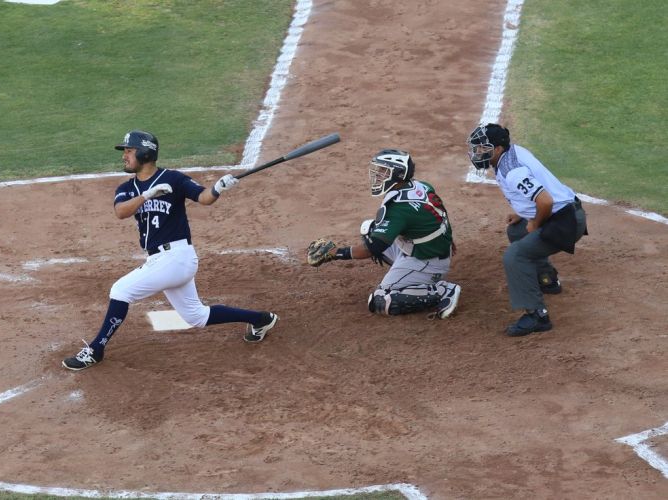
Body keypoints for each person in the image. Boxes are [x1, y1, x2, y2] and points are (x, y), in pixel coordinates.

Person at [62, 130, 278, 371]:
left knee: (121, 290)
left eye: (129, 151)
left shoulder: (174, 179)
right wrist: (146, 195)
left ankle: (95, 350)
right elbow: (121, 212)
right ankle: (261, 319)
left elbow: (203, 197)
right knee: (196, 317)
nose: (124, 156)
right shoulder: (127, 188)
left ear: (145, 153)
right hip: (162, 260)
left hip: (176, 258)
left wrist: (218, 188)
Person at [306, 149, 461, 318]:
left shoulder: (399, 210)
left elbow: (373, 248)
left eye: (384, 172)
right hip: (428, 248)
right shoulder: (420, 185)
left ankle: (442, 290)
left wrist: (335, 253)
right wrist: (446, 238)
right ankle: (406, 273)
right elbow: (439, 212)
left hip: (427, 261)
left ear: (399, 174)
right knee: (370, 230)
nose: (378, 176)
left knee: (381, 300)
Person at [466, 123, 587, 336]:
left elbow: (546, 201)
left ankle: (536, 316)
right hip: (565, 211)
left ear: (497, 149)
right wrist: (523, 216)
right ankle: (547, 280)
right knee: (516, 231)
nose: (477, 153)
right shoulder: (512, 152)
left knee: (515, 256)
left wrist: (535, 223)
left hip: (565, 222)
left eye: (482, 148)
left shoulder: (512, 171)